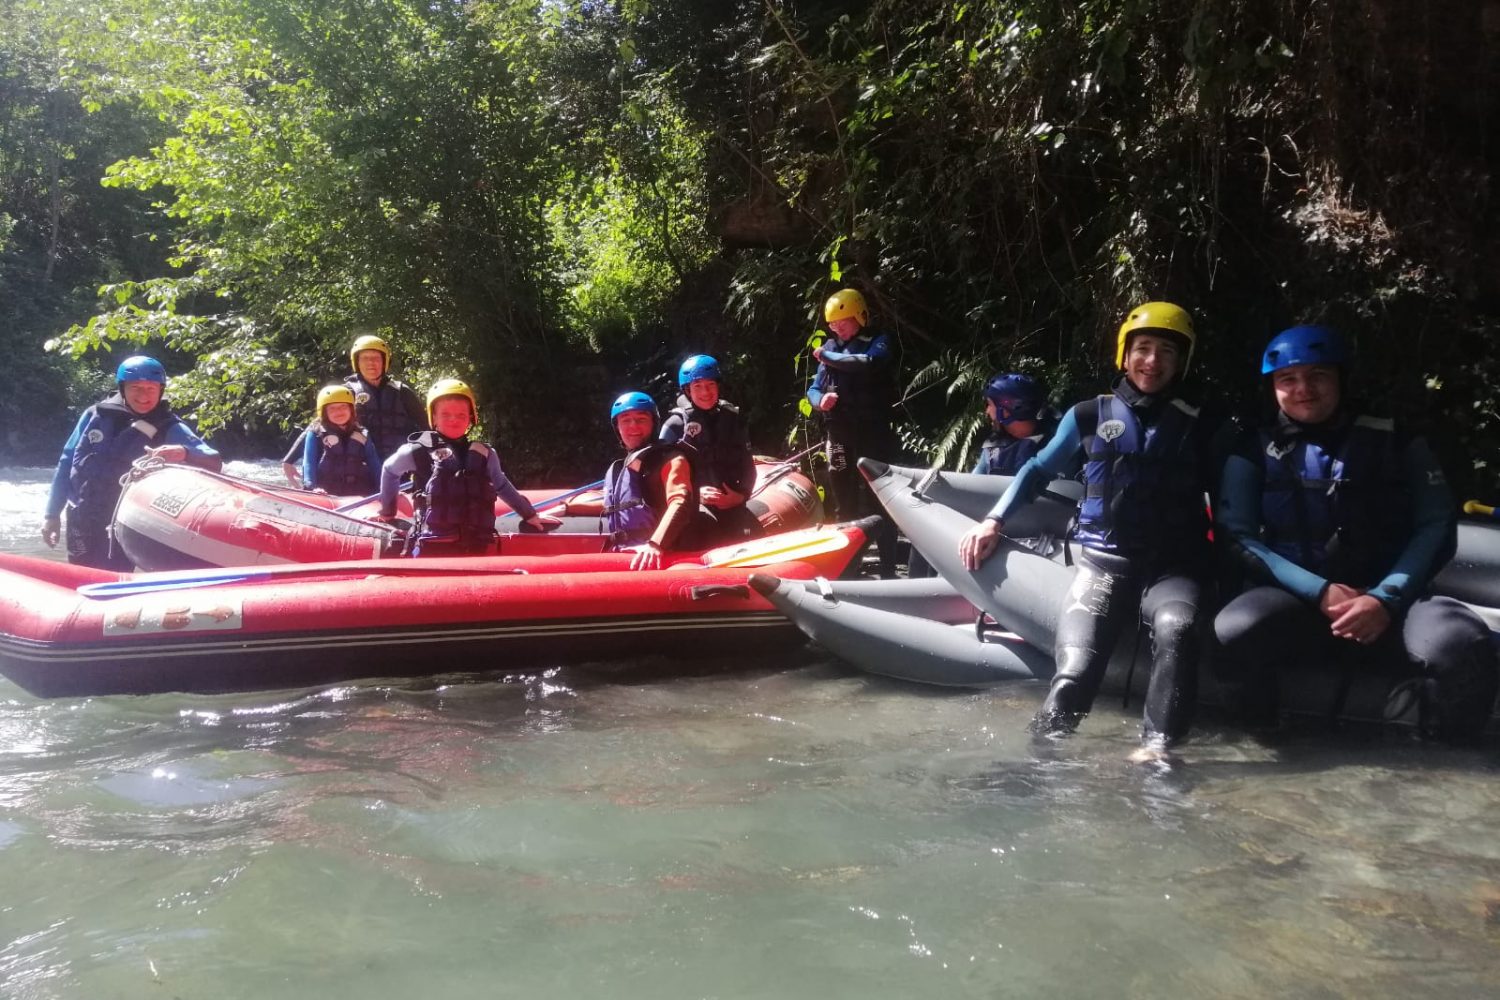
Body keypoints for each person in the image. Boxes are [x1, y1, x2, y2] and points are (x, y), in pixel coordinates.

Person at [1213, 325, 1497, 741]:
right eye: (1287, 379)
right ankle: (1262, 737)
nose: (1303, 389)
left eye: (1318, 375)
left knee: (1462, 643)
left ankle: (1444, 760)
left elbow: (1436, 524)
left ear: (1341, 379)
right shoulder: (1251, 448)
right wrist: (1321, 592)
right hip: (1298, 600)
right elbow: (1237, 535)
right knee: (1234, 630)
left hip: (1394, 600)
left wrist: (1384, 598)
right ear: (1272, 387)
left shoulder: (1397, 439)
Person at [958, 302, 1215, 759]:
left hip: (1173, 568)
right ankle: (1040, 761)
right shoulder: (1088, 415)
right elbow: (1037, 470)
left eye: (1167, 352)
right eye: (1143, 348)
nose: (1152, 361)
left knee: (1177, 629)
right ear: (1125, 354)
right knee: (1075, 671)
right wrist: (995, 520)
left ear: (1182, 362)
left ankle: (1159, 754)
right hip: (1104, 562)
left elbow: (1234, 504)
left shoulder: (1203, 424)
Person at [42, 355, 222, 569]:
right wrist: (51, 514)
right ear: (122, 388)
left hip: (125, 522)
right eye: (135, 387)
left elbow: (213, 462)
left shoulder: (169, 426)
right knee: (80, 575)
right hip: (81, 517)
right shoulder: (94, 416)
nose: (143, 396)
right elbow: (66, 462)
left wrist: (183, 452)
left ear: (161, 390)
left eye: (150, 389)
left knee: (114, 578)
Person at [375, 378, 557, 556]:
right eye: (445, 414)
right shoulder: (416, 451)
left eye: (461, 415)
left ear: (471, 418)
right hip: (431, 545)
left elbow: (501, 485)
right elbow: (389, 471)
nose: (453, 420)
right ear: (434, 417)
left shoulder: (485, 454)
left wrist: (529, 515)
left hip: (476, 543)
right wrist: (388, 512)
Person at [909, 372, 1057, 578]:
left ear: (1008, 410)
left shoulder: (1055, 444)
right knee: (925, 530)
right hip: (989, 524)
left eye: (990, 405)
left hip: (1032, 534)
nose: (987, 411)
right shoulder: (994, 446)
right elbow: (972, 488)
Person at [806, 287, 900, 576]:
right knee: (843, 501)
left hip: (873, 434)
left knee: (878, 499)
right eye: (833, 324)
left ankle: (888, 567)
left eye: (843, 322)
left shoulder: (878, 341)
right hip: (840, 435)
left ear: (859, 316)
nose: (838, 329)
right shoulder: (830, 348)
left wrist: (826, 356)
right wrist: (820, 401)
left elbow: (869, 363)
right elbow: (813, 388)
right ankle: (848, 567)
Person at [599, 391, 716, 570]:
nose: (633, 426)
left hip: (665, 555)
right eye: (626, 420)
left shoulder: (670, 458)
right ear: (618, 428)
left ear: (654, 423)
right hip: (625, 552)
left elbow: (680, 501)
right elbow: (619, 505)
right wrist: (567, 508)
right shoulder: (624, 465)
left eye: (641, 419)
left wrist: (655, 544)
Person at [659, 354, 763, 542]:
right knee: (706, 529)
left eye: (710, 385)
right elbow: (659, 479)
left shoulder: (732, 419)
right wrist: (696, 495)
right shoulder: (674, 426)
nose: (705, 392)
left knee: (755, 534)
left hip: (732, 503)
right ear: (687, 390)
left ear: (718, 386)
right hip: (693, 507)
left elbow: (747, 466)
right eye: (698, 386)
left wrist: (741, 496)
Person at [344, 334, 428, 461]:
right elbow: (324, 428)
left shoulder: (402, 392)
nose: (371, 363)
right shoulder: (345, 393)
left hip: (401, 463)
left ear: (385, 361)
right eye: (365, 358)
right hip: (361, 464)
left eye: (376, 358)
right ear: (357, 362)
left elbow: (426, 427)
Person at [301, 384, 381, 495]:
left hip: (359, 491)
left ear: (351, 409)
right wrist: (311, 486)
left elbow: (374, 463)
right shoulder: (315, 433)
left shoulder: (362, 433)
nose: (338, 411)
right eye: (332, 408)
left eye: (343, 406)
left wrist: (384, 487)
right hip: (326, 492)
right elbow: (309, 462)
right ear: (324, 412)